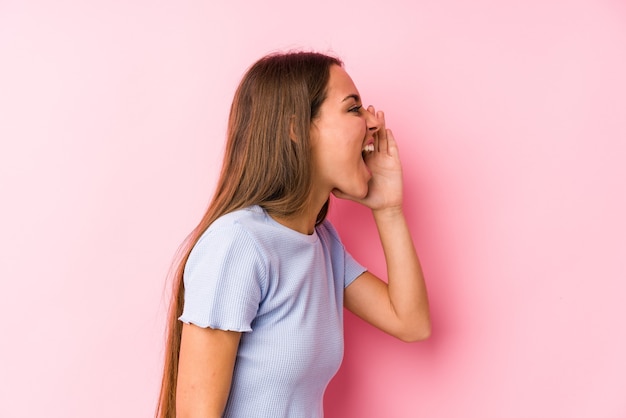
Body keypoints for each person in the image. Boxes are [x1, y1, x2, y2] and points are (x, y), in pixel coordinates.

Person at [156, 51, 431, 418]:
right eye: (353, 109)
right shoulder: (239, 244)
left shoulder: (322, 243)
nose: (373, 123)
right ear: (295, 129)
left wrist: (389, 209)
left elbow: (410, 322)